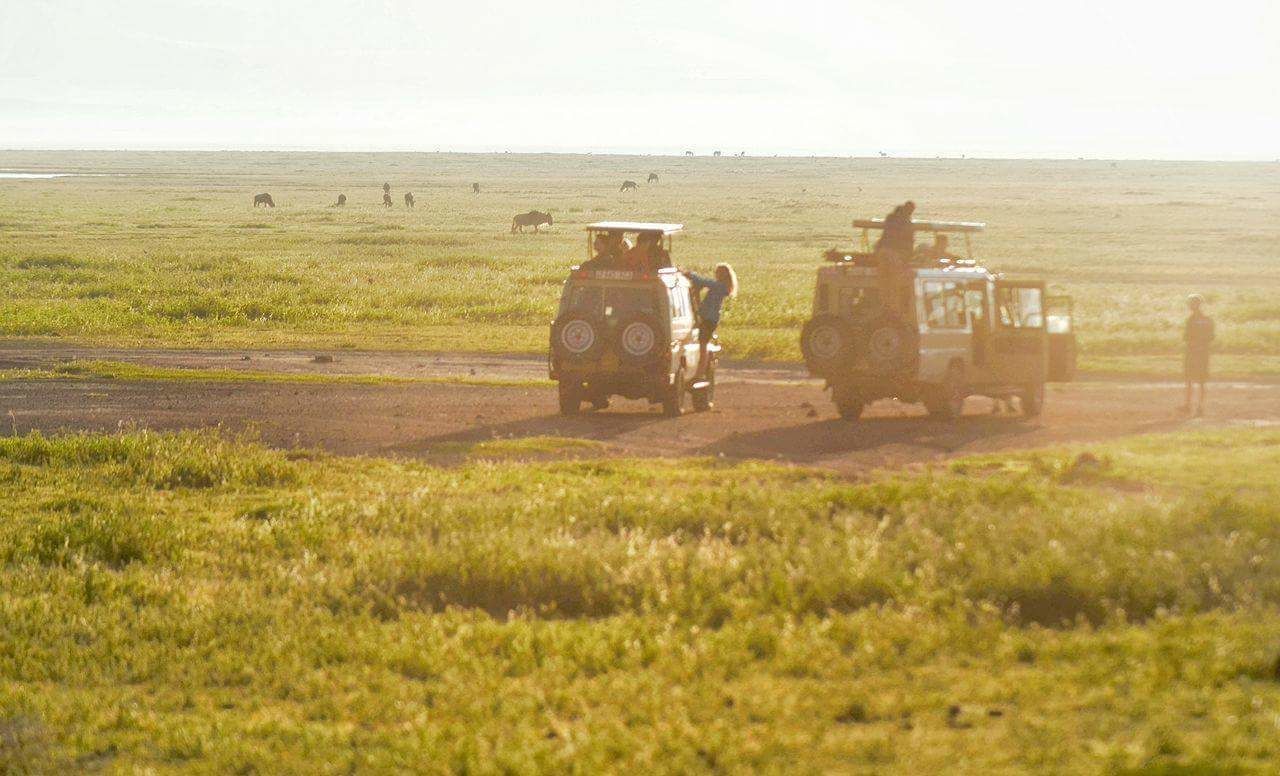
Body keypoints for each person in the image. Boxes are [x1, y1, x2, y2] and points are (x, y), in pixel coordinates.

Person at [684, 263, 738, 381]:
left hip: (709, 320)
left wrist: (690, 274)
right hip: (708, 319)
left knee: (703, 347)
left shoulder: (720, 286)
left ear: (723, 274)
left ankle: (699, 373)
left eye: (718, 272)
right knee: (702, 346)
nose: (716, 274)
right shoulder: (721, 286)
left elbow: (703, 281)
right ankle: (700, 372)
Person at [1182, 294, 1214, 416]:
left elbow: (1186, 337)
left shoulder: (1191, 320)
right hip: (1204, 353)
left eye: (1191, 304)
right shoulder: (1208, 320)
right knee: (1201, 381)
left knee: (1189, 379)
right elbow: (1211, 337)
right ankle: (1200, 406)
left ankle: (1188, 405)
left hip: (1192, 353)